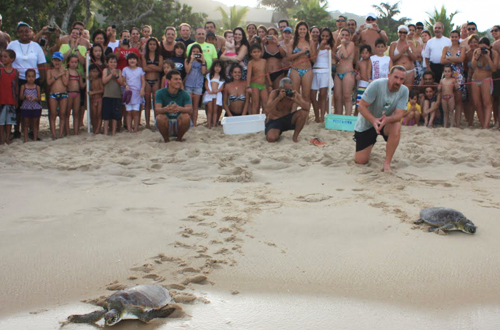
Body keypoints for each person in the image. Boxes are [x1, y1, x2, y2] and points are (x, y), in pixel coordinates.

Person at [354, 66, 409, 172]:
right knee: (361, 161)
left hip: (385, 122)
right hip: (367, 123)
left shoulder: (404, 90)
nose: (398, 81)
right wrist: (374, 120)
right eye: (396, 77)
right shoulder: (376, 84)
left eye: (401, 79)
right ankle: (368, 146)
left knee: (396, 125)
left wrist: (387, 119)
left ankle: (387, 163)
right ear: (389, 76)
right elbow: (361, 106)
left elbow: (399, 114)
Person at [7, 22, 46, 139]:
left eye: (27, 31)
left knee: (34, 106)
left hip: (34, 79)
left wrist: (42, 81)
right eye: (21, 31)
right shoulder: (12, 44)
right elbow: (7, 59)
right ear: (18, 33)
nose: (24, 33)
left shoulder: (36, 46)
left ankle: (32, 131)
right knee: (18, 106)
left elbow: (41, 63)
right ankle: (17, 130)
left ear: (30, 32)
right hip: (17, 79)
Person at [265, 77, 309, 143]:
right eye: (286, 90)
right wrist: (278, 98)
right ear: (280, 88)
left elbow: (307, 108)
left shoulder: (294, 93)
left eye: (290, 89)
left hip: (288, 119)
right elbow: (266, 110)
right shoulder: (274, 93)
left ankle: (295, 137)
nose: (288, 91)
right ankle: (277, 132)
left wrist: (296, 100)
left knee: (303, 113)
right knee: (271, 138)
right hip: (275, 120)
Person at [155, 70, 193, 142]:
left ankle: (179, 139)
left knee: (186, 117)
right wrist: (166, 109)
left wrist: (179, 108)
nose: (179, 81)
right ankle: (166, 140)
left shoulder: (185, 94)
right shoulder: (160, 93)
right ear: (168, 81)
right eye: (175, 79)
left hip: (179, 121)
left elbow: (190, 110)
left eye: (180, 79)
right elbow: (157, 110)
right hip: (166, 122)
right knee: (160, 117)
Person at [287, 21, 315, 114]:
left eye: (304, 29)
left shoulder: (310, 42)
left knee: (306, 95)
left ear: (307, 30)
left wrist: (310, 52)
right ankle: (293, 114)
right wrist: (301, 52)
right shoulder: (293, 42)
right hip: (295, 69)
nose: (302, 31)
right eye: (300, 29)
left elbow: (314, 59)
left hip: (307, 69)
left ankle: (305, 117)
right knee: (295, 93)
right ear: (297, 30)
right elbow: (289, 57)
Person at [471, 37, 499, 129]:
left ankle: (486, 126)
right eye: (481, 47)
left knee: (487, 102)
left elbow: (494, 68)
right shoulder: (476, 51)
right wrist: (476, 56)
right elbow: (473, 66)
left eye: (485, 48)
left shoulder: (494, 53)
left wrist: (487, 57)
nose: (483, 50)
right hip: (475, 79)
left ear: (489, 46)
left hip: (486, 79)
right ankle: (483, 124)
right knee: (477, 103)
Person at [440, 30, 466, 125]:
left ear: (459, 37)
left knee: (458, 100)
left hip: (458, 75)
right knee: (446, 97)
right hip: (447, 74)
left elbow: (461, 59)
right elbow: (441, 61)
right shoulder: (446, 48)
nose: (454, 38)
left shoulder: (462, 48)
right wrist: (455, 59)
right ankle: (447, 123)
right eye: (452, 37)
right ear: (450, 37)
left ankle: (457, 123)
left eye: (456, 36)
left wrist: (449, 58)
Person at [311, 27, 334, 122]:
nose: (325, 38)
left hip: (325, 71)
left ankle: (321, 117)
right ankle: (316, 115)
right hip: (315, 70)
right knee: (312, 95)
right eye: (323, 35)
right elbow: (313, 59)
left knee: (323, 94)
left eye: (327, 36)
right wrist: (320, 47)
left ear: (330, 37)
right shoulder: (315, 44)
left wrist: (330, 50)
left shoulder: (332, 45)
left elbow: (334, 59)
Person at [46, 51, 68, 140]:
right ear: (52, 61)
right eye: (55, 60)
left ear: (62, 61)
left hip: (63, 94)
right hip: (53, 94)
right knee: (53, 114)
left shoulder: (65, 71)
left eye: (58, 60)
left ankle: (61, 134)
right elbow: (48, 82)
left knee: (62, 114)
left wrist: (62, 73)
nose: (57, 62)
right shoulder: (50, 71)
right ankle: (54, 134)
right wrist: (58, 75)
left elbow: (66, 83)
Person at [142, 37, 163, 129]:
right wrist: (154, 66)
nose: (152, 46)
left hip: (156, 81)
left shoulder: (160, 56)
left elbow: (160, 69)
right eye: (150, 44)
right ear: (148, 45)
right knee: (147, 103)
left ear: (156, 45)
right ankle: (147, 124)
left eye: (154, 44)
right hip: (147, 81)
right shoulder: (144, 56)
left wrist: (150, 66)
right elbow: (144, 68)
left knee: (156, 103)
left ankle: (156, 122)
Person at [122, 52, 145, 133]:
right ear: (128, 60)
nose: (132, 60)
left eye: (134, 59)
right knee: (128, 112)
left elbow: (143, 81)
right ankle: (129, 128)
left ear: (137, 61)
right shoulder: (125, 69)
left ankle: (135, 128)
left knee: (136, 112)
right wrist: (125, 85)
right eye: (130, 59)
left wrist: (142, 89)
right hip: (128, 94)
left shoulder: (140, 70)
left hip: (137, 94)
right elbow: (123, 81)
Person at [185, 44, 207, 125]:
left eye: (197, 52)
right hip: (189, 85)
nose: (196, 53)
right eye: (194, 52)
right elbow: (187, 71)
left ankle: (194, 123)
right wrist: (191, 60)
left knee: (195, 106)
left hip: (198, 85)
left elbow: (204, 72)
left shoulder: (202, 61)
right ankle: (188, 122)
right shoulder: (187, 60)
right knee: (189, 105)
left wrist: (203, 61)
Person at [102, 54, 123, 136]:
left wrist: (117, 75)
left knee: (115, 116)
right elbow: (104, 81)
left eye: (114, 62)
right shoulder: (105, 70)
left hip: (116, 96)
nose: (113, 64)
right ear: (107, 63)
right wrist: (111, 74)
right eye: (111, 62)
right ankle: (105, 132)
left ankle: (113, 132)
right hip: (107, 95)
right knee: (106, 115)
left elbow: (121, 82)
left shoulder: (119, 71)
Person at [247, 43, 272, 115]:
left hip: (263, 85)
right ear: (251, 53)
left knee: (266, 103)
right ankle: (255, 120)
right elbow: (248, 75)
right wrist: (248, 86)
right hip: (255, 85)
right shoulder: (251, 63)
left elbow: (267, 73)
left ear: (261, 52)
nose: (256, 54)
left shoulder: (264, 61)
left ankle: (266, 120)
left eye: (258, 52)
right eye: (254, 52)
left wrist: (270, 84)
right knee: (255, 103)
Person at [19, 69, 42, 143]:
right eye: (29, 76)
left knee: (35, 124)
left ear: (35, 77)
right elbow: (20, 97)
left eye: (32, 76)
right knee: (26, 124)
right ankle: (25, 139)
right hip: (26, 106)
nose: (31, 78)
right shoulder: (23, 86)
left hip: (35, 106)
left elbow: (39, 98)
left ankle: (35, 139)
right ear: (26, 77)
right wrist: (26, 97)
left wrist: (35, 98)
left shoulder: (37, 87)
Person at [0, 49, 17, 145]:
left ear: (12, 59)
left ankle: (7, 138)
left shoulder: (15, 72)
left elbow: (16, 86)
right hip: (1, 99)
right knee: (1, 121)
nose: (3, 58)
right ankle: (1, 138)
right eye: (2, 56)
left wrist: (16, 99)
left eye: (5, 56)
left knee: (9, 121)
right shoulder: (1, 71)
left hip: (11, 99)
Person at [65, 54, 84, 136]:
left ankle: (76, 132)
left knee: (76, 113)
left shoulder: (78, 73)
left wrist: (87, 80)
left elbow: (81, 86)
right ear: (68, 62)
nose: (74, 64)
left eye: (76, 62)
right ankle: (67, 132)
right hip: (69, 92)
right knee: (67, 113)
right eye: (72, 62)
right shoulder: (66, 71)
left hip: (77, 93)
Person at [203, 60, 225, 128]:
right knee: (210, 109)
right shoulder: (209, 75)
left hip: (217, 94)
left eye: (219, 67)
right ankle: (209, 123)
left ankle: (214, 124)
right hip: (210, 94)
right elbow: (206, 83)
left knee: (215, 110)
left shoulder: (221, 77)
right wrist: (208, 90)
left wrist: (218, 90)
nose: (217, 68)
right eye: (216, 66)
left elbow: (222, 87)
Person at [88, 64, 104, 134]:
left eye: (96, 71)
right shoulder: (89, 81)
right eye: (93, 71)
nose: (94, 73)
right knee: (93, 115)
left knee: (99, 115)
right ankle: (94, 129)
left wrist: (93, 92)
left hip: (99, 99)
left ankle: (98, 129)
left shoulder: (99, 80)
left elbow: (102, 90)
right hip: (92, 100)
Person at [356, 45, 372, 109]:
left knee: (369, 102)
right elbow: (356, 71)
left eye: (366, 53)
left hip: (370, 83)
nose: (364, 55)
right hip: (362, 83)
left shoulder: (372, 61)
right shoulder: (359, 62)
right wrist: (357, 75)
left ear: (369, 53)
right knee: (359, 102)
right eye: (362, 53)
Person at [491, 25, 500, 128]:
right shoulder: (493, 44)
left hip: (498, 71)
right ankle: (496, 121)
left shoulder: (497, 43)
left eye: (496, 30)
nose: (493, 32)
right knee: (495, 99)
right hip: (495, 72)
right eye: (492, 31)